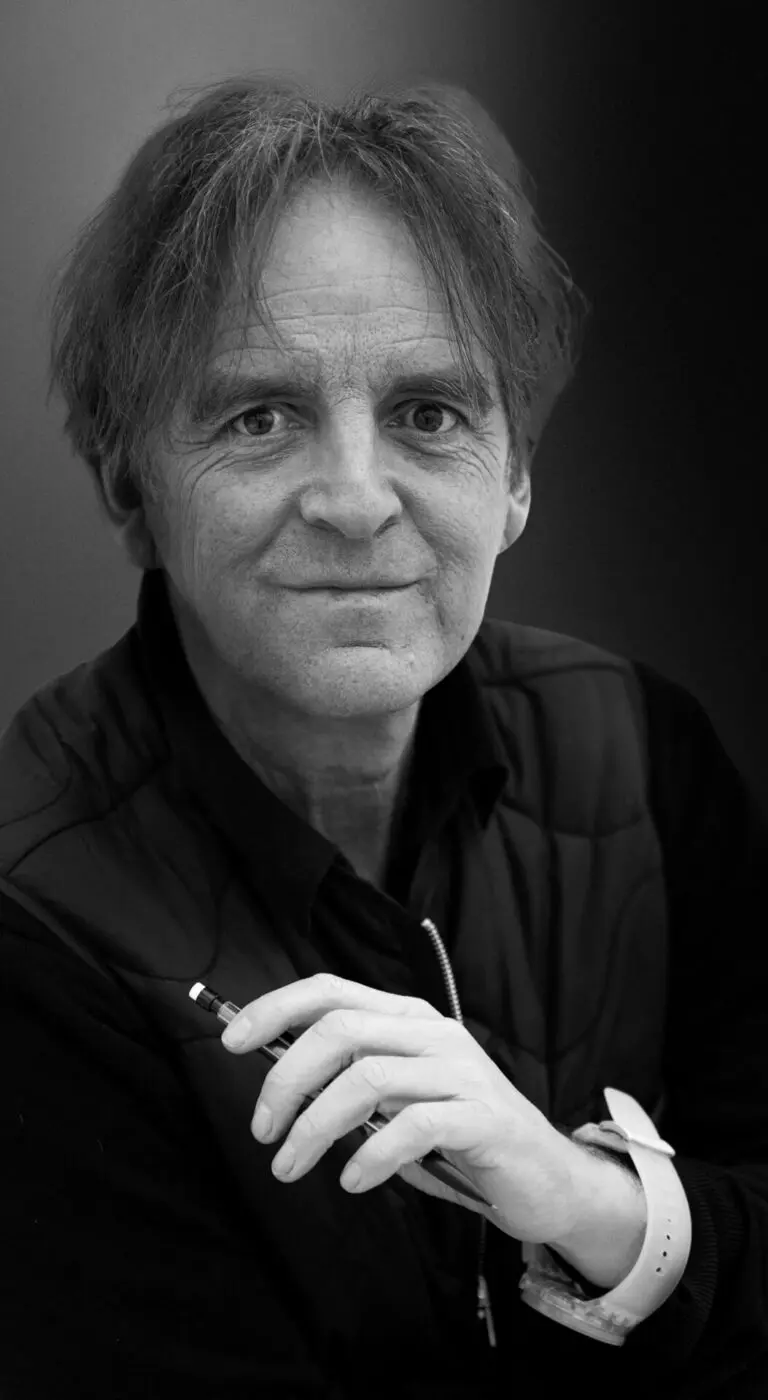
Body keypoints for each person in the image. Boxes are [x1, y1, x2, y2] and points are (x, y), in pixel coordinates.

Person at [1, 75, 766, 1400]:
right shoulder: (33, 915)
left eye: (428, 414)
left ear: (514, 476)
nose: (357, 501)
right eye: (259, 417)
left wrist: (583, 1197)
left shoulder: (641, 751)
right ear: (133, 486)